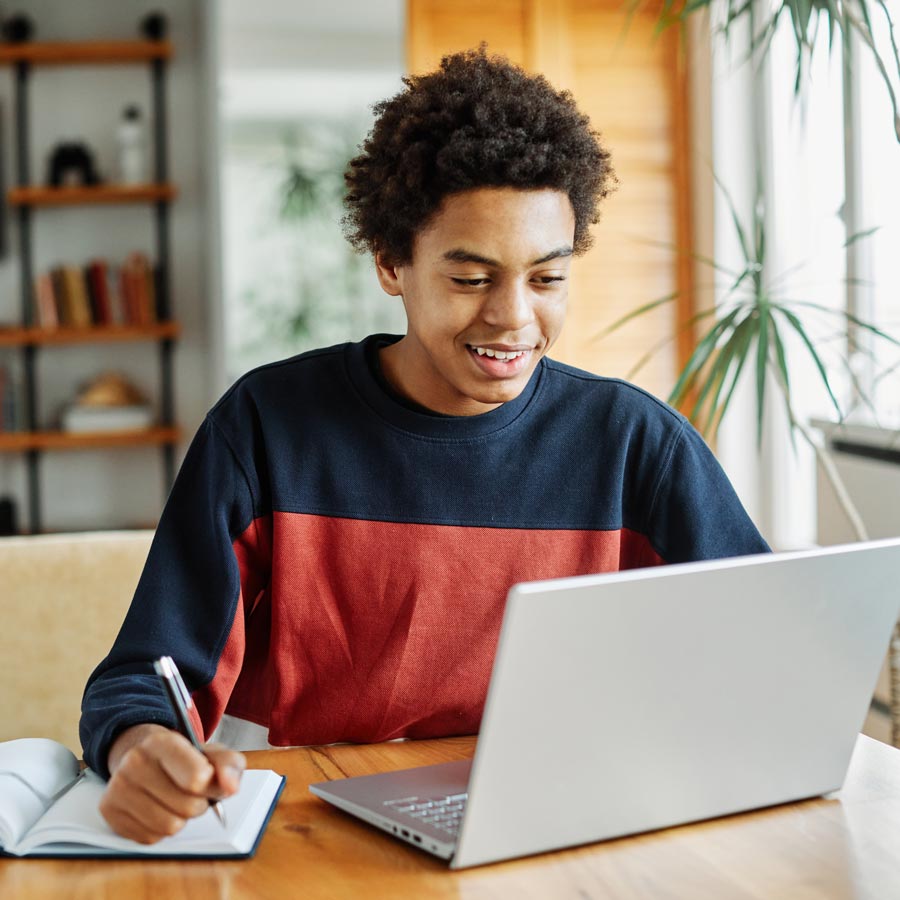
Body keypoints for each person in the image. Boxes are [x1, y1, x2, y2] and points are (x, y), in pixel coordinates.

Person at [81, 47, 769, 844]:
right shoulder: (267, 427)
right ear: (390, 263)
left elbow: (761, 655)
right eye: (471, 278)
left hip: (553, 825)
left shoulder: (635, 444)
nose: (514, 318)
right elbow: (143, 677)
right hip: (310, 826)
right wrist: (144, 747)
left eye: (547, 279)